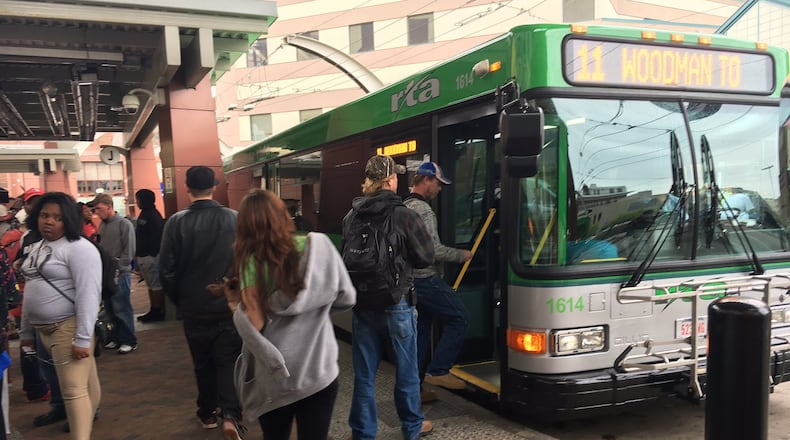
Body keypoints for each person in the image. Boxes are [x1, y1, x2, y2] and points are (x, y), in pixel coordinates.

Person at [219, 189, 355, 440]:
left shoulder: (251, 261)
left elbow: (256, 325)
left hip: (276, 379)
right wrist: (317, 307)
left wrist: (233, 304)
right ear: (283, 215)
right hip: (319, 371)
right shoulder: (320, 246)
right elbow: (347, 297)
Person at [344, 155, 435, 440]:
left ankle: (363, 433)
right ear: (391, 180)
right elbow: (426, 257)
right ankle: (411, 427)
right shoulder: (405, 215)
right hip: (398, 303)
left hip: (362, 304)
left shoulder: (351, 216)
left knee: (365, 375)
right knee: (406, 371)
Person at [159, 166, 244, 438]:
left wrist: (180, 299)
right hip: (228, 308)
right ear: (214, 186)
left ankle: (207, 412)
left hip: (193, 308)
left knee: (202, 362)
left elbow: (166, 270)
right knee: (228, 361)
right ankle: (231, 414)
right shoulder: (234, 219)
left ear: (187, 188)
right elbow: (245, 263)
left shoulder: (176, 222)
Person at [19, 192, 102, 440]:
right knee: (86, 384)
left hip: (68, 328)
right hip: (43, 330)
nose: (49, 222)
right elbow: (30, 290)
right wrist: (25, 332)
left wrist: (83, 338)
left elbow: (89, 294)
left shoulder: (80, 249)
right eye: (44, 215)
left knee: (74, 392)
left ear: (69, 220)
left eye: (57, 217)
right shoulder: (37, 246)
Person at [404, 162, 472, 399]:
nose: (440, 189)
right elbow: (432, 250)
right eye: (438, 184)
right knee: (459, 318)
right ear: (425, 180)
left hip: (410, 282)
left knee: (421, 335)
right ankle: (439, 370)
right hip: (425, 279)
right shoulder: (423, 210)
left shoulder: (404, 206)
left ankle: (415, 390)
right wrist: (462, 255)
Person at [86, 193, 137, 354]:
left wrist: (119, 267)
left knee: (121, 307)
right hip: (106, 273)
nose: (96, 212)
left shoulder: (124, 224)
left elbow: (129, 250)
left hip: (120, 273)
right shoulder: (102, 225)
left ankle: (129, 340)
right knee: (109, 309)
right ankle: (115, 337)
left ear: (109, 207)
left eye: (99, 208)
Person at [133, 189, 165, 323]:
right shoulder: (144, 214)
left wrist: (151, 254)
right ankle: (153, 309)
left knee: (155, 284)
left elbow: (157, 236)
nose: (137, 202)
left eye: (138, 199)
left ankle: (157, 311)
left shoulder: (153, 215)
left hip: (150, 256)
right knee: (150, 285)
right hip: (144, 255)